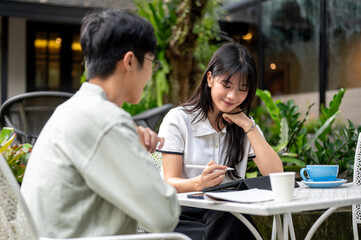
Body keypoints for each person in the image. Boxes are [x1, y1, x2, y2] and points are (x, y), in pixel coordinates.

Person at [21, 9, 180, 238]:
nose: (150, 75)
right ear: (130, 61)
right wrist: (140, 154)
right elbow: (164, 215)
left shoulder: (72, 110)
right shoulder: (105, 120)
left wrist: (131, 146)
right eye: (151, 64)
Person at [157, 42, 283, 239]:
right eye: (226, 84)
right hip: (180, 216)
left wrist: (248, 125)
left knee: (232, 219)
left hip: (227, 213)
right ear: (209, 78)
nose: (233, 96)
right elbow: (169, 183)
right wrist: (199, 182)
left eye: (243, 89)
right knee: (232, 224)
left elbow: (276, 174)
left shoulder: (243, 126)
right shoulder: (179, 119)